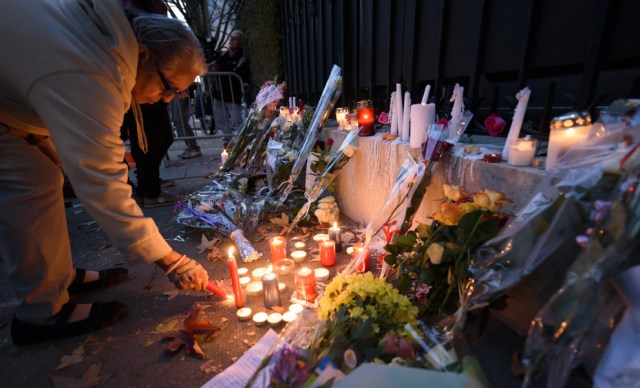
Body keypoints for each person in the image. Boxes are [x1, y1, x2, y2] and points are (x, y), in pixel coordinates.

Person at [0, 1, 209, 346]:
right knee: (29, 183)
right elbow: (102, 183)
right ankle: (39, 312)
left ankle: (58, 277)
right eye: (169, 87)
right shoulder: (93, 70)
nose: (168, 99)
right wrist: (170, 260)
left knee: (43, 173)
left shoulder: (104, 37)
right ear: (143, 54)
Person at [210, 30, 252, 146]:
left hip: (233, 95)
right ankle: (228, 141)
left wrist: (221, 71)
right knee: (220, 119)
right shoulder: (222, 55)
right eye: (231, 37)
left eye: (235, 38)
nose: (231, 39)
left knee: (236, 121)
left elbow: (239, 75)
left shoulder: (242, 60)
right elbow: (213, 66)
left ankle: (240, 143)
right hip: (219, 94)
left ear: (242, 43)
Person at [170, 85, 202, 159]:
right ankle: (191, 146)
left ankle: (193, 147)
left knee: (179, 119)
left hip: (181, 89)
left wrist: (182, 90)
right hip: (175, 90)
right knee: (176, 120)